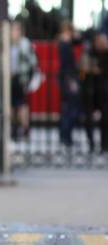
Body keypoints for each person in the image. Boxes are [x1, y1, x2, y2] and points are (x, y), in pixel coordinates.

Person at [10, 20, 39, 142]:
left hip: (21, 78)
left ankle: (25, 129)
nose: (13, 32)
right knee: (11, 106)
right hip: (9, 78)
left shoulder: (25, 44)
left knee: (21, 105)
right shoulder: (8, 44)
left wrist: (28, 79)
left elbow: (33, 63)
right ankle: (13, 129)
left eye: (15, 29)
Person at [58, 21, 82, 150]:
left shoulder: (65, 42)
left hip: (66, 77)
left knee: (67, 107)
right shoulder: (65, 43)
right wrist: (71, 81)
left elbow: (79, 40)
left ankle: (64, 135)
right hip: (69, 78)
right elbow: (66, 65)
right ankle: (66, 136)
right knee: (71, 108)